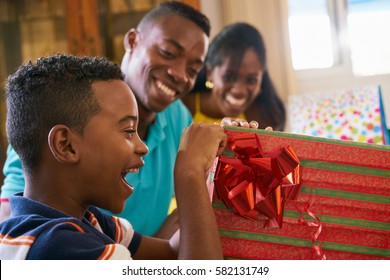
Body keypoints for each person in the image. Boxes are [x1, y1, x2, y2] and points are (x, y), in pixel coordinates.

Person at [0, 1, 216, 238]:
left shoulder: (177, 117)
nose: (179, 74)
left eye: (193, 71)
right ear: (133, 41)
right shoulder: (64, 110)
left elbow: (187, 210)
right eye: (168, 53)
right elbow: (13, 222)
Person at [0, 54, 225, 260]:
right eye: (128, 131)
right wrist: (188, 173)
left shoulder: (87, 221)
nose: (142, 147)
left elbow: (172, 252)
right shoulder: (59, 247)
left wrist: (212, 172)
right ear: (66, 145)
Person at [183, 22, 286, 131]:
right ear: (210, 73)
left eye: (251, 80)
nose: (239, 90)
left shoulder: (265, 116)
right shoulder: (183, 108)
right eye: (229, 77)